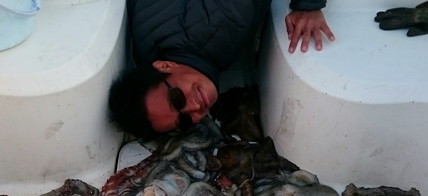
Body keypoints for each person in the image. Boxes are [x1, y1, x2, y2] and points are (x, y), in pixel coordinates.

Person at [109, 0, 334, 139]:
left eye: (177, 99)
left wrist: (308, 7)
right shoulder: (147, 50)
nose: (194, 107)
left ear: (164, 66)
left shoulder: (224, 23)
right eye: (184, 121)